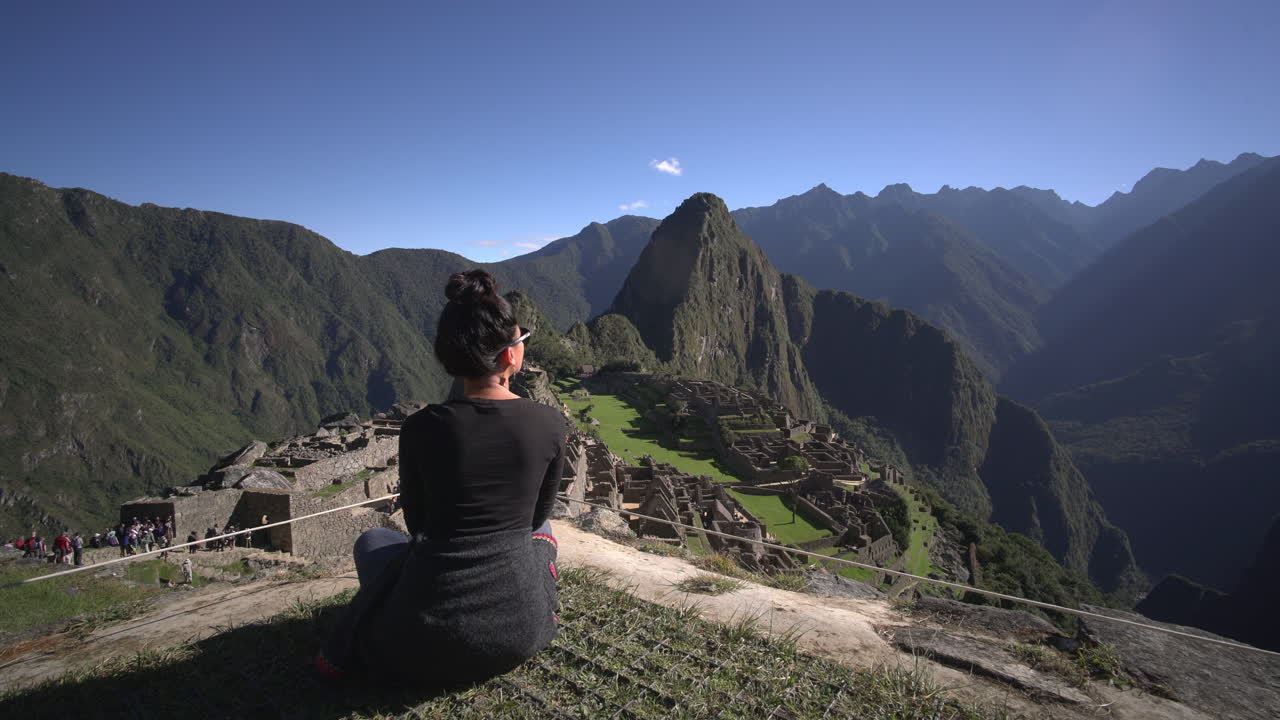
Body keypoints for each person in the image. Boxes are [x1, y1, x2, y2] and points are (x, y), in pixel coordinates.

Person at [318, 270, 564, 687]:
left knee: (373, 541)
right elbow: (535, 517)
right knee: (544, 530)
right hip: (522, 632)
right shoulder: (549, 422)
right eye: (521, 341)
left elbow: (419, 527)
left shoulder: (421, 427)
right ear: (510, 356)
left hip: (419, 636)